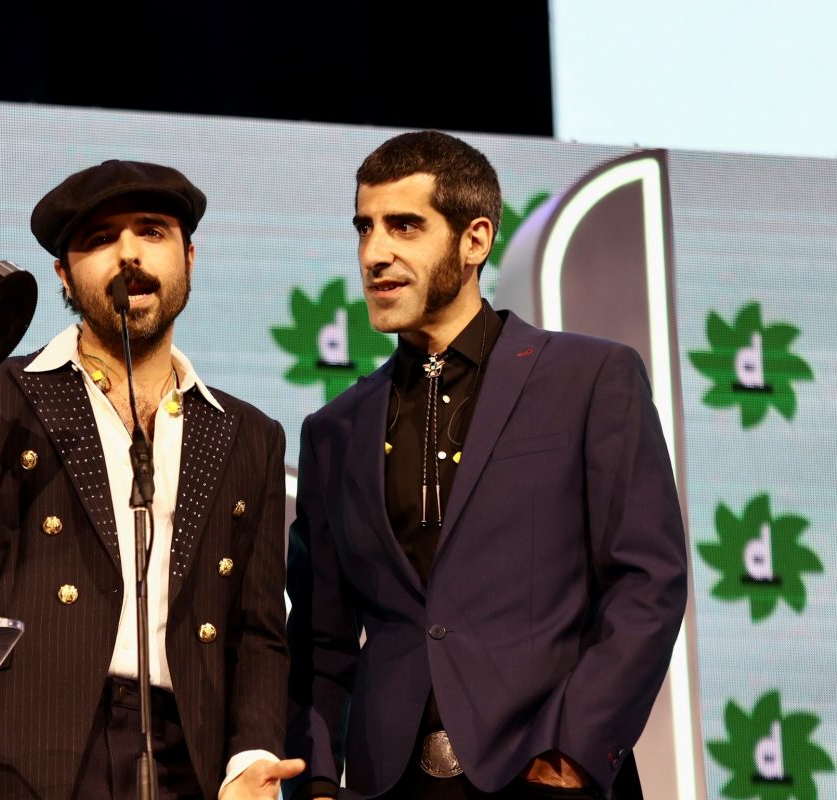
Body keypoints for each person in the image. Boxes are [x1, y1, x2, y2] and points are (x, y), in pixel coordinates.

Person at [285, 131, 688, 799]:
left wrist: (570, 756)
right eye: (364, 227)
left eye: (404, 226)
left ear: (475, 239)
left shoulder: (590, 378)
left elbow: (648, 583)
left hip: (545, 774)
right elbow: (318, 643)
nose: (374, 253)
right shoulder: (334, 429)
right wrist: (319, 784)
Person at [0, 159, 303, 799]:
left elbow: (259, 631)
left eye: (152, 231)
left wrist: (250, 758)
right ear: (63, 274)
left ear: (189, 258)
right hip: (16, 755)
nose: (129, 254)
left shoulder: (250, 435)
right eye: (100, 238)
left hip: (184, 762)